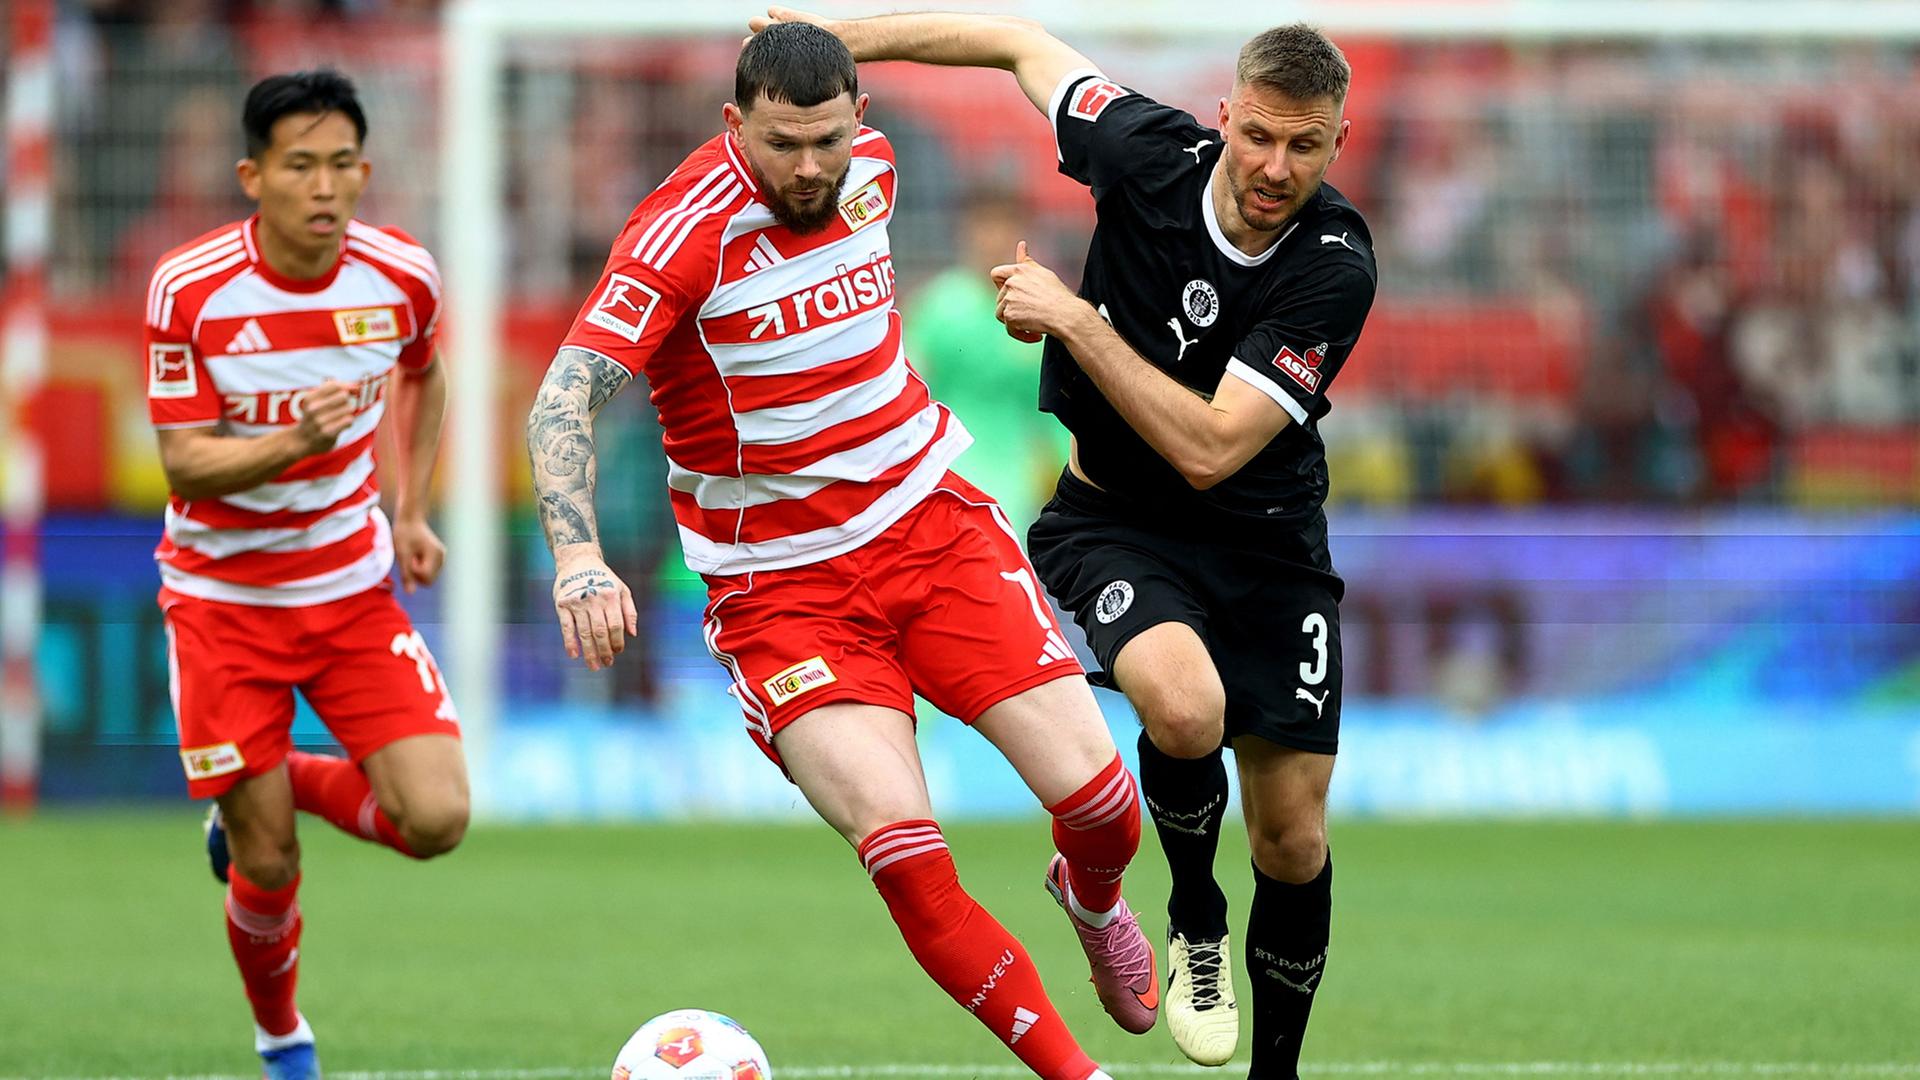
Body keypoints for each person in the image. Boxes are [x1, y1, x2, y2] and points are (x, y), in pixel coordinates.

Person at [751, 10, 1378, 1077]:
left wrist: (1080, 320)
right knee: (1183, 707)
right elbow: (1015, 43)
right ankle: (1192, 916)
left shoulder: (1334, 263)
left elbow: (1216, 448)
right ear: (1224, 115)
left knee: (1294, 838)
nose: (1275, 168)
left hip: (1269, 545)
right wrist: (841, 35)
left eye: (1304, 147)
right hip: (1115, 524)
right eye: (1259, 136)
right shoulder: (1143, 150)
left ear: (1337, 142)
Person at [527, 25, 1153, 1080]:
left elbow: (981, 46)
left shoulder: (878, 167)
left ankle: (1087, 894)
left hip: (931, 526)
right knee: (907, 855)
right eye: (783, 145)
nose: (811, 167)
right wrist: (577, 555)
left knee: (1101, 806)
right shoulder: (680, 234)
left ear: (859, 116)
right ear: (735, 124)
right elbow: (564, 394)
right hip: (784, 592)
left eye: (828, 138)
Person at [143, 69, 467, 1080]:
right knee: (268, 861)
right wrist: (291, 445)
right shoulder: (189, 290)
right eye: (300, 166)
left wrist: (410, 509)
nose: (325, 187)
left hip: (350, 588)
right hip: (221, 603)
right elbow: (185, 458)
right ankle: (283, 1039)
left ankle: (261, 793)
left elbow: (425, 372)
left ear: (364, 171)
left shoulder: (402, 274)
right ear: (253, 176)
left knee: (437, 820)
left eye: (341, 165)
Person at [904, 183, 1070, 533]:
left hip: (1021, 478)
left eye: (1004, 226)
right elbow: (910, 395)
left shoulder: (1044, 311)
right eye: (983, 226)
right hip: (945, 468)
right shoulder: (938, 308)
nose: (992, 238)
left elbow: (1055, 416)